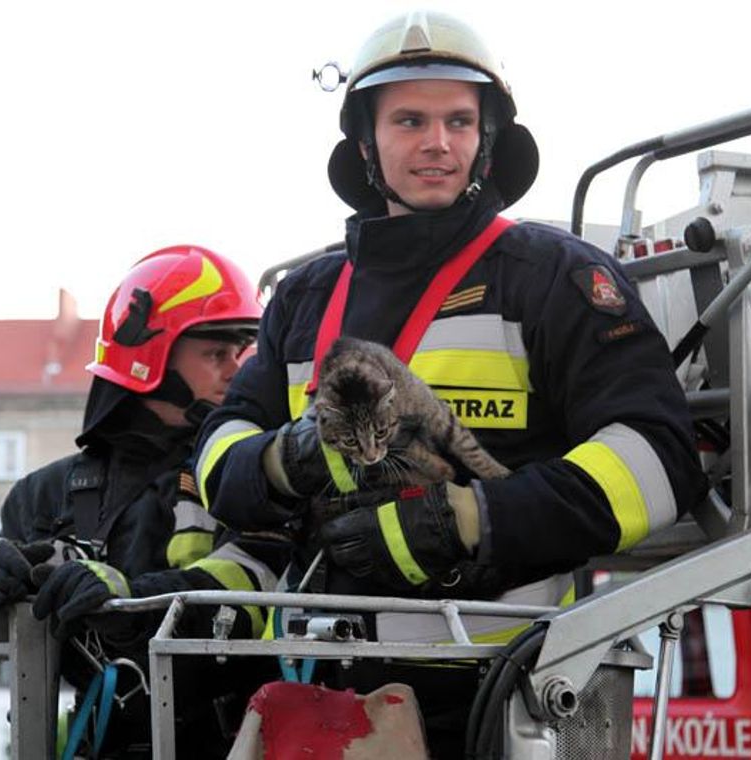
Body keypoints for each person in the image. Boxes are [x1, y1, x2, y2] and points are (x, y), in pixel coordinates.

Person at [193, 10, 707, 757]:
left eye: (459, 121)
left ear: (487, 139)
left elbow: (659, 458)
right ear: (366, 144)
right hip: (311, 701)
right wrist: (283, 461)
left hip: (497, 701)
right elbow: (217, 452)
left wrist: (470, 520)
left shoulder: (554, 278)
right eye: (409, 120)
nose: (437, 143)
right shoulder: (305, 298)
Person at [0, 245, 277, 758]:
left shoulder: (245, 475)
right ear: (149, 358)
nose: (235, 369)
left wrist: (131, 601)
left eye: (243, 350)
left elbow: (253, 601)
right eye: (215, 353)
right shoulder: (45, 495)